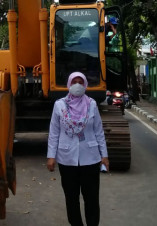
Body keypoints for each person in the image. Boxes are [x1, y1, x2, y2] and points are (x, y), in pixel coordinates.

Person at [47, 72, 109, 226]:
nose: (77, 85)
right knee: (71, 198)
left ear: (85, 84)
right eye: (74, 81)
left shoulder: (92, 104)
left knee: (92, 198)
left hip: (91, 158)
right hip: (67, 159)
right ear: (68, 84)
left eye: (80, 82)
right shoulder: (59, 105)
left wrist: (104, 155)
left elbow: (99, 131)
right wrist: (51, 156)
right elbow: (54, 132)